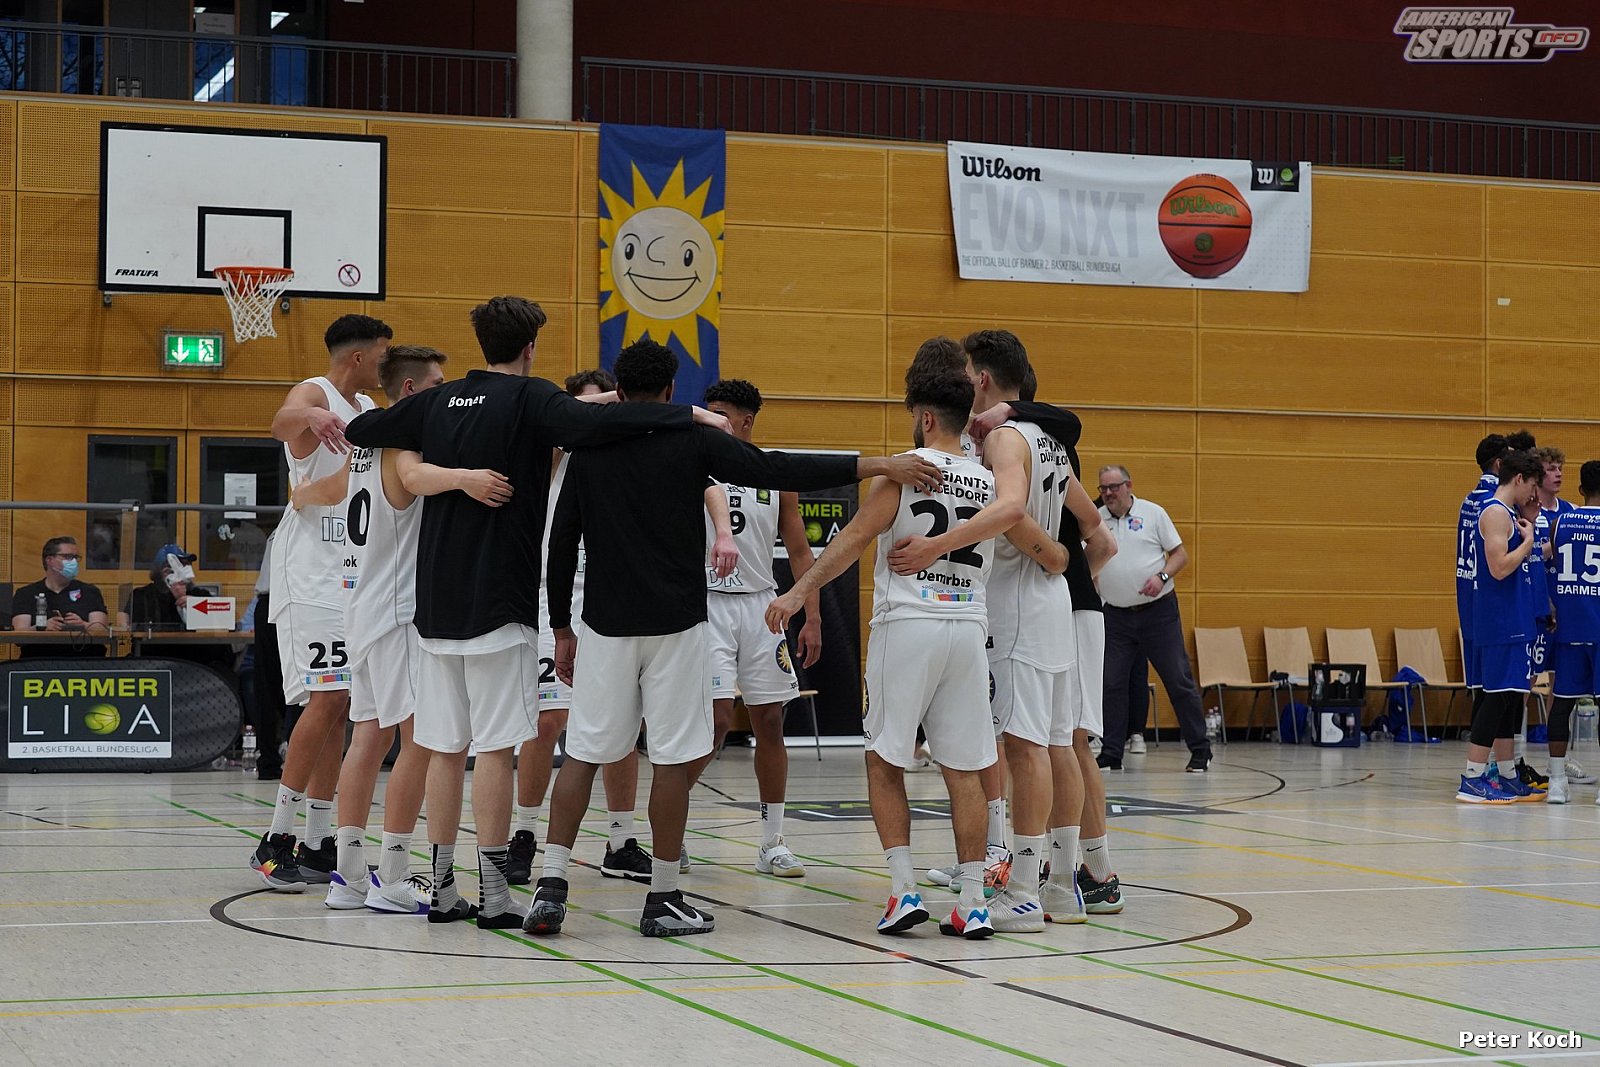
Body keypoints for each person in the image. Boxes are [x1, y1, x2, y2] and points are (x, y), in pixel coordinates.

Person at [532, 339, 942, 939]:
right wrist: (879, 464)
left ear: (620, 389)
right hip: (677, 628)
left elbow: (562, 542)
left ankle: (550, 886)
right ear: (671, 389)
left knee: (584, 756)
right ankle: (662, 897)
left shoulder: (587, 450)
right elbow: (778, 469)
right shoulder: (694, 442)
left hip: (604, 625)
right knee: (672, 761)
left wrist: (562, 628)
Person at [343, 297, 727, 930]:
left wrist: (436, 460)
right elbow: (597, 423)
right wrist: (688, 414)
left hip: (434, 606)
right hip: (500, 604)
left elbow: (362, 431)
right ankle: (495, 894)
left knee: (443, 749)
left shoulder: (440, 401)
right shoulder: (532, 398)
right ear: (530, 348)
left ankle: (443, 888)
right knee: (495, 751)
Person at [771, 356, 1062, 937]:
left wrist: (798, 592)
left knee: (884, 760)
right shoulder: (989, 480)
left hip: (908, 625)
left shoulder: (905, 472)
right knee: (966, 770)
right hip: (968, 630)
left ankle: (904, 892)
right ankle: (973, 901)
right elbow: (1048, 551)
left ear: (925, 417)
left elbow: (852, 542)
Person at [291, 344, 504, 914]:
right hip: (398, 611)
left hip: (359, 606)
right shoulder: (403, 442)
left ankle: (347, 875)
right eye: (437, 383)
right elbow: (413, 475)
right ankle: (392, 874)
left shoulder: (363, 444)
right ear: (411, 390)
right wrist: (466, 478)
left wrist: (299, 493)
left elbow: (330, 490)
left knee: (368, 737)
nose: (447, 391)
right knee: (421, 740)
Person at [890, 329, 1077, 934]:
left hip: (1016, 599)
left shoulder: (1000, 438)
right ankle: (1061, 879)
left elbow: (1012, 511)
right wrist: (1061, 556)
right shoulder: (1048, 435)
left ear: (983, 379)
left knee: (1023, 747)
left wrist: (938, 545)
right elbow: (1089, 527)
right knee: (1054, 743)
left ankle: (1021, 889)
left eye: (968, 373)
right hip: (1049, 601)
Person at [251, 314, 389, 892]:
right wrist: (308, 416)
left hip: (349, 571)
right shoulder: (316, 392)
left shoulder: (367, 409)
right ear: (358, 356)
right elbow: (281, 421)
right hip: (307, 573)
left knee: (339, 706)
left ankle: (315, 840)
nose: (386, 363)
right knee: (328, 696)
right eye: (381, 353)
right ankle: (275, 838)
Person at [509, 368, 660, 887]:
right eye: (582, 408)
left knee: (623, 728)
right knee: (548, 720)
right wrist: (604, 403)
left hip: (607, 601)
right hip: (549, 599)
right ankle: (525, 833)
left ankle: (620, 840)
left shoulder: (620, 453)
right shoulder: (551, 455)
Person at [694, 377, 828, 879]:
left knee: (770, 721)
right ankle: (670, 827)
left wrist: (812, 615)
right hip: (706, 604)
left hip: (761, 606)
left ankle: (772, 842)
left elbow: (799, 551)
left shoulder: (773, 473)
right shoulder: (692, 462)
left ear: (746, 421)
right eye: (709, 411)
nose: (713, 419)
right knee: (715, 722)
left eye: (722, 413)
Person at [1095, 465, 1212, 772]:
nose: (1108, 493)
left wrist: (1161, 577)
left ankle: (1200, 749)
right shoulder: (1096, 520)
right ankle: (1111, 752)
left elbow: (1180, 555)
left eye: (1114, 487)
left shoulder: (1153, 513)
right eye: (1103, 489)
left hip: (1158, 613)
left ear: (1129, 485)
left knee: (1178, 679)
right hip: (1116, 615)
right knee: (1111, 683)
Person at [1459, 449, 1546, 804]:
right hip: (1499, 621)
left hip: (1513, 618)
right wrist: (1528, 542)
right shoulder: (1494, 513)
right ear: (1519, 479)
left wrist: (1529, 524)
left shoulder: (1510, 513)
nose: (1534, 494)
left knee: (1509, 698)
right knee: (1494, 698)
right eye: (1532, 486)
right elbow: (1498, 568)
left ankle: (1508, 774)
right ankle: (1472, 777)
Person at [1545, 459, 1600, 804]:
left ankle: (1556, 782)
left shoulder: (1559, 522)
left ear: (1580, 490)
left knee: (1561, 706)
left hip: (1569, 627)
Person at [9, 537, 110, 658]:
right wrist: (41, 628)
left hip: (85, 659)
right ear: (49, 560)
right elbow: (18, 636)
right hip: (39, 660)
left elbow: (102, 632)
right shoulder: (26, 593)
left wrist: (83, 625)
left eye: (76, 557)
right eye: (67, 557)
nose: (74, 562)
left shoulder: (90, 592)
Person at [248, 530, 285, 780]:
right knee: (297, 688)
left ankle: (270, 760)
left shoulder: (278, 530)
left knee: (269, 686)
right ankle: (278, 757)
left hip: (268, 605)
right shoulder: (307, 521)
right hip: (286, 604)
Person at [118, 544, 207, 632]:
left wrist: (193, 603)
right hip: (153, 641)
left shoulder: (197, 594)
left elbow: (214, 616)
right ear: (165, 571)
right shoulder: (142, 595)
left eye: (188, 564)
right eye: (182, 564)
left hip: (189, 641)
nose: (187, 569)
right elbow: (125, 619)